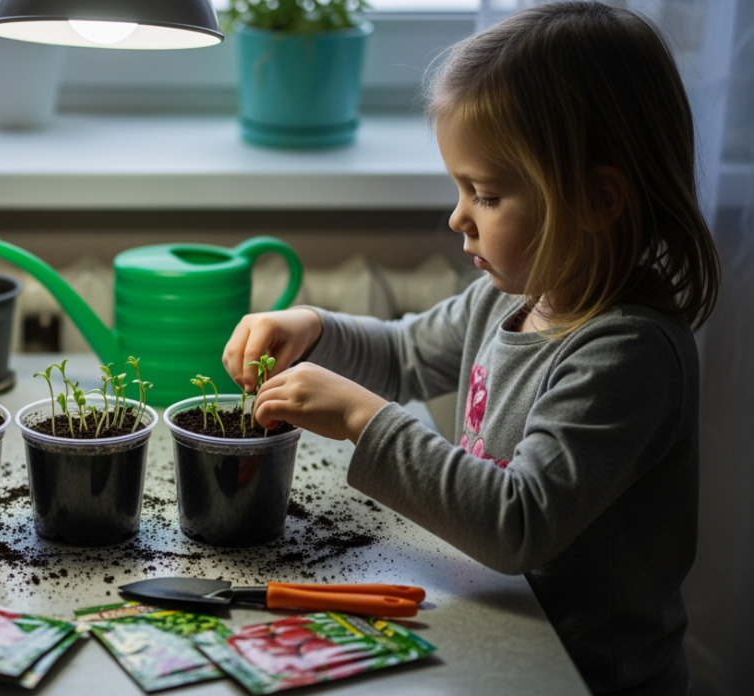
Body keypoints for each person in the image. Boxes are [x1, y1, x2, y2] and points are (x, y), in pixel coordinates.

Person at [224, 3, 720, 694]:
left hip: (585, 674)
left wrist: (363, 419)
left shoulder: (626, 355)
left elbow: (516, 525)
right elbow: (402, 353)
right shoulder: (507, 298)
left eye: (484, 194)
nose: (458, 217)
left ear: (598, 200)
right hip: (501, 635)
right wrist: (314, 326)